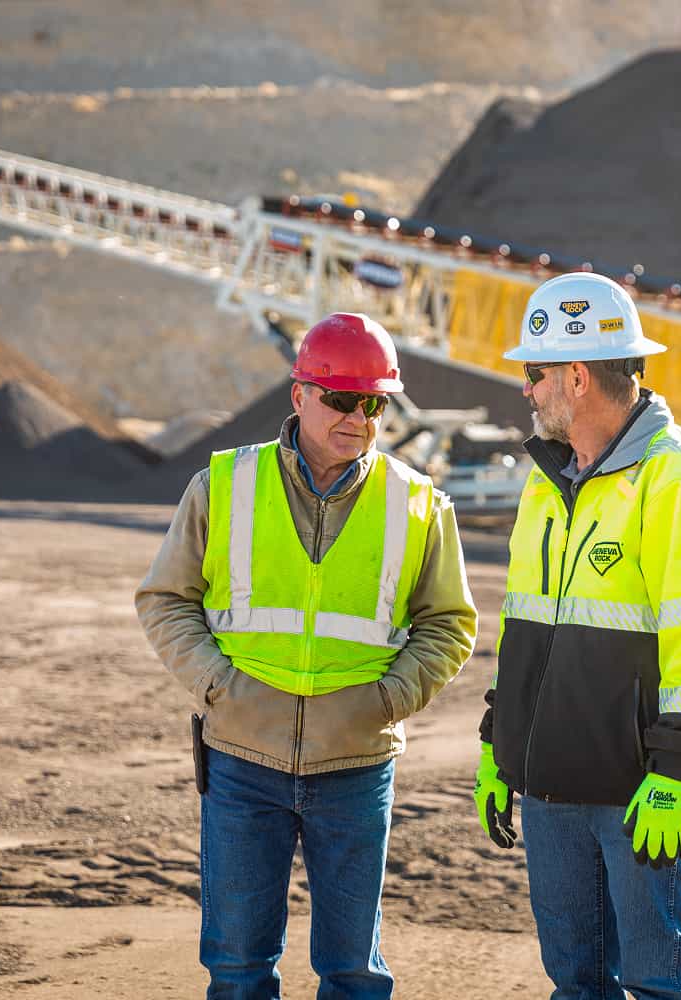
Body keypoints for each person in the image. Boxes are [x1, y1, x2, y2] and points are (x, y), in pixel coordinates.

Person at [136, 312, 478, 1000]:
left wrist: (382, 703)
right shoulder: (224, 484)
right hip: (242, 760)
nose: (357, 416)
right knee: (237, 968)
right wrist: (218, 686)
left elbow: (449, 625)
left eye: (373, 402)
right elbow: (164, 599)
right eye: (340, 399)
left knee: (353, 972)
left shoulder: (417, 504)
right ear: (299, 396)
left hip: (356, 767)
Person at [474, 272, 681, 1000]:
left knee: (659, 984)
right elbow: (526, 629)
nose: (526, 391)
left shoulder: (677, 477)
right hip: (550, 793)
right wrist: (500, 745)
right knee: (577, 984)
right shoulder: (546, 480)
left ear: (576, 376)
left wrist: (677, 771)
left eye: (533, 375)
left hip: (639, 794)